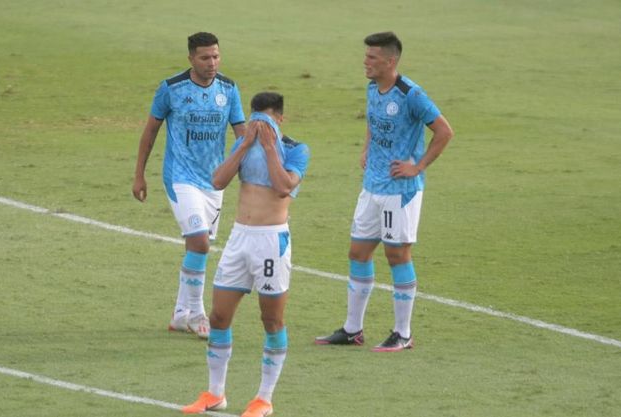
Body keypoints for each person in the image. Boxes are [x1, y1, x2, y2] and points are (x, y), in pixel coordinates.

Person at [315, 32, 454, 351]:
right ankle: (352, 330)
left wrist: (418, 167)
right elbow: (373, 121)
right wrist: (367, 148)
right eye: (366, 56)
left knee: (397, 255)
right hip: (372, 186)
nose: (365, 62)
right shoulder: (372, 88)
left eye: (372, 57)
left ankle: (403, 333)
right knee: (358, 252)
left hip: (400, 191)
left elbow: (445, 131)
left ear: (390, 61)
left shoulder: (411, 94)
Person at [182, 92, 310, 416]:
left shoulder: (296, 150)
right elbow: (217, 180)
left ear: (279, 119)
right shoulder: (244, 145)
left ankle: (264, 399)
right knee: (218, 317)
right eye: (255, 120)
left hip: (271, 242)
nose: (260, 126)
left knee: (271, 319)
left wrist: (268, 147)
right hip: (239, 238)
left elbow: (283, 186)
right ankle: (215, 394)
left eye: (266, 120)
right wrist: (243, 145)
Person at [132, 32, 247, 339]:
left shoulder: (229, 89)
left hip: (214, 181)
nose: (212, 63)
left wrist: (249, 173)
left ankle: (180, 315)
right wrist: (139, 174)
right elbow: (150, 131)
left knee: (198, 246)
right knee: (200, 242)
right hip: (180, 177)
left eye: (216, 56)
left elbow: (242, 136)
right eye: (205, 57)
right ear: (191, 59)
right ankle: (197, 314)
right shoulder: (171, 88)